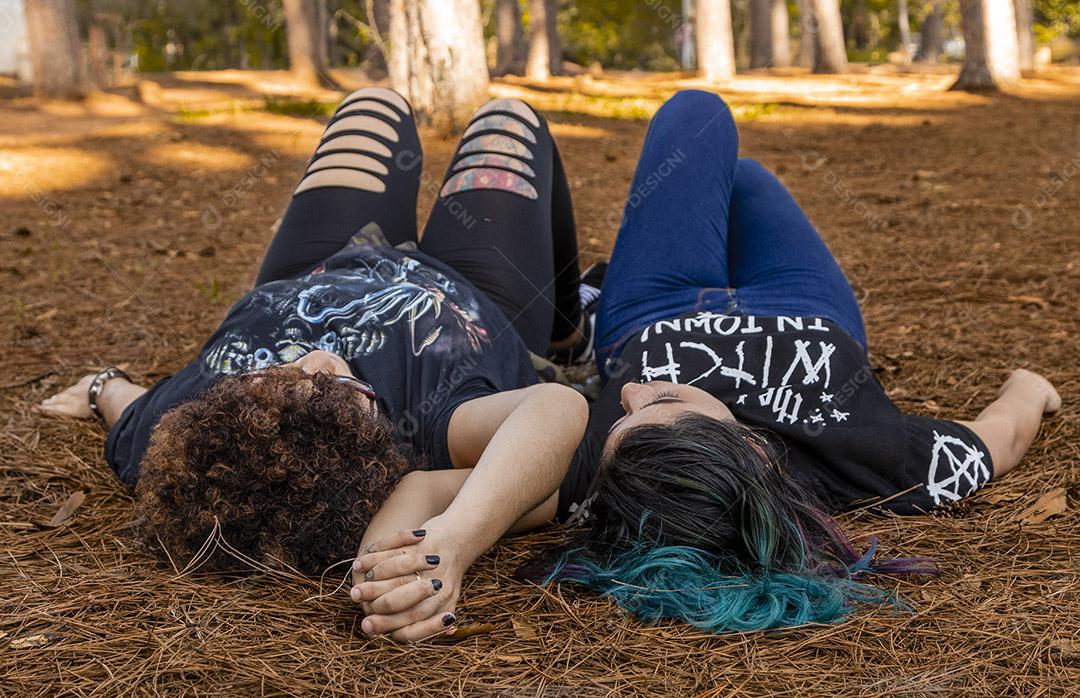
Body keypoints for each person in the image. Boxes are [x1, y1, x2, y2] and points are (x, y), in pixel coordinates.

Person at [38, 88, 596, 643]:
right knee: (509, 120)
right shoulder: (421, 426)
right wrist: (453, 537)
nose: (316, 359)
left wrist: (98, 387)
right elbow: (557, 407)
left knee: (373, 106)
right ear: (371, 441)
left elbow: (126, 406)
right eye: (337, 388)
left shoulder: (197, 436)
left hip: (316, 262)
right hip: (476, 288)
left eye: (278, 376)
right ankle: (568, 330)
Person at [541, 90, 1061, 633]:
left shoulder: (612, 467)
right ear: (754, 448)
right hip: (801, 305)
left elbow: (479, 479)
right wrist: (1030, 387)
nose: (627, 394)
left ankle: (579, 322)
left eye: (620, 416)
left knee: (696, 117)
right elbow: (997, 439)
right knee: (745, 177)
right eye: (663, 399)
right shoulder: (875, 461)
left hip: (655, 309)